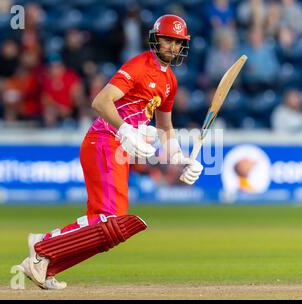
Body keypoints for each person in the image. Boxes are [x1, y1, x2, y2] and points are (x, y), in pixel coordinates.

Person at [17, 14, 204, 289]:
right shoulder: (138, 66)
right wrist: (125, 129)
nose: (172, 47)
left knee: (108, 230)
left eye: (178, 42)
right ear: (155, 39)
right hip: (104, 140)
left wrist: (179, 158)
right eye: (167, 39)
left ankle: (46, 265)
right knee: (110, 220)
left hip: (118, 149)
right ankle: (44, 245)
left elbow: (165, 127)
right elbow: (101, 101)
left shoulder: (170, 82)